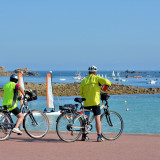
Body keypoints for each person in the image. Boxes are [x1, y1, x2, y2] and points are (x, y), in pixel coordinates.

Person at [80, 65, 111, 142]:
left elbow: (81, 93)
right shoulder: (97, 78)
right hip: (95, 102)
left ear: (89, 72)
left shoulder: (84, 80)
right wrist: (105, 87)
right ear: (95, 72)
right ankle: (99, 136)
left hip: (87, 102)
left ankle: (83, 136)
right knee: (97, 119)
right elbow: (108, 82)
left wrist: (86, 96)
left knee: (85, 119)